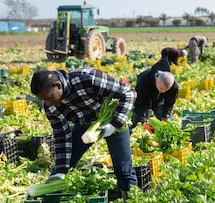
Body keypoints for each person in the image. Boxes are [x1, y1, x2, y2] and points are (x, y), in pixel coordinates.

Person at [30, 68, 137, 199]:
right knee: (59, 171)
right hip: (84, 125)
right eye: (43, 100)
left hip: (111, 120)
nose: (47, 103)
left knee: (124, 171)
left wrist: (115, 124)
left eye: (48, 98)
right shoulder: (50, 107)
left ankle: (132, 199)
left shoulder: (87, 79)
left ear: (57, 85)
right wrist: (61, 171)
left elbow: (128, 93)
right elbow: (61, 137)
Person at [130, 63, 178, 130]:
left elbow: (169, 104)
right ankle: (127, 135)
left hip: (159, 102)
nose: (163, 91)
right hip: (143, 101)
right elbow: (137, 104)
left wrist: (165, 118)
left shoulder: (174, 86)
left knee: (168, 125)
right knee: (132, 121)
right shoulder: (144, 79)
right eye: (161, 88)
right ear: (156, 80)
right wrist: (143, 121)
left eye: (166, 90)